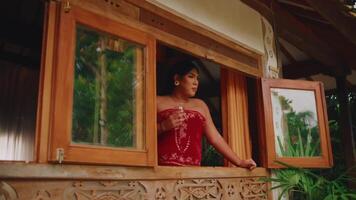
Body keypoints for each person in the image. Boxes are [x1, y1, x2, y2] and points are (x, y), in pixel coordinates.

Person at [157, 60, 256, 169]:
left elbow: (215, 138)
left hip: (193, 174)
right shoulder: (157, 102)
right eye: (191, 76)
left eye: (197, 78)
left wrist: (239, 162)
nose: (196, 82)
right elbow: (140, 135)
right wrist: (162, 126)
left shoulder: (200, 105)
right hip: (163, 173)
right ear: (177, 79)